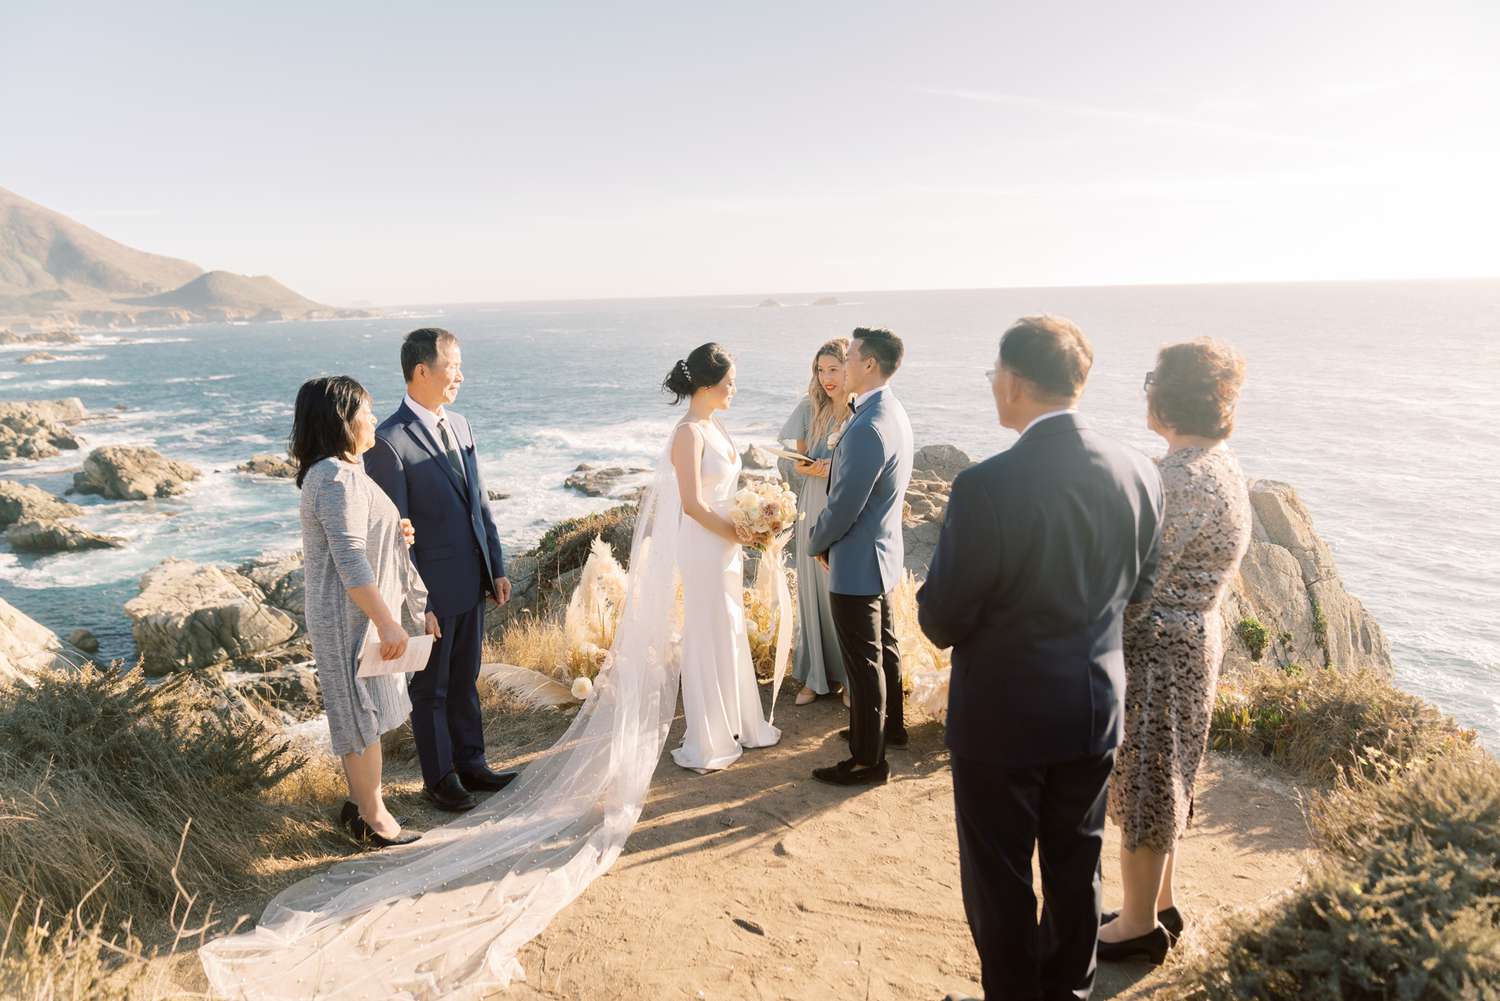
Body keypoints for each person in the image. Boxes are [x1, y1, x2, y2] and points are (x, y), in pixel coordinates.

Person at [200, 346, 780, 998]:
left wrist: (477, 558)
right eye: (451, 363)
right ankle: (408, 793)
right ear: (410, 377)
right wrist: (402, 606)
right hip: (368, 609)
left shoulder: (415, 444)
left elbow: (459, 507)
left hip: (443, 586)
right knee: (397, 698)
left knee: (424, 691)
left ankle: (436, 779)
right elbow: (352, 551)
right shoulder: (358, 461)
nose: (460, 373)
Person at [918, 316, 1163, 1001]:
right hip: (1091, 706)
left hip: (1003, 716)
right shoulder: (1139, 472)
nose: (993, 385)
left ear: (1017, 381)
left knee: (999, 880)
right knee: (1074, 865)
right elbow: (1138, 590)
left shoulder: (987, 485)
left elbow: (941, 617)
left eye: (995, 374)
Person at [1098, 338, 1252, 964]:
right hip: (1193, 636)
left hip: (1160, 645)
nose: (1147, 388)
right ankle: (1159, 902)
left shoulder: (1177, 479)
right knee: (1169, 770)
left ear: (1169, 396)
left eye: (1152, 378)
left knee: (1147, 778)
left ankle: (1137, 926)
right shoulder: (1220, 464)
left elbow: (1139, 582)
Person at [363, 327, 517, 813]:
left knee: (465, 676)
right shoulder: (388, 443)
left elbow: (480, 503)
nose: (460, 376)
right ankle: (440, 778)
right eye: (452, 366)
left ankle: (473, 763)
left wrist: (496, 564)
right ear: (421, 371)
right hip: (430, 591)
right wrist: (415, 605)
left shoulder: (463, 425)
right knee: (430, 688)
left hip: (472, 580)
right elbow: (394, 538)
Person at [290, 375, 435, 849]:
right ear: (343, 420)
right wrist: (388, 621)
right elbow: (349, 557)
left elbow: (360, 538)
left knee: (365, 713)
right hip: (348, 619)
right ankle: (373, 819)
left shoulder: (344, 474)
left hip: (354, 615)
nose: (373, 419)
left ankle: (360, 807)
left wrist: (395, 533)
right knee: (359, 716)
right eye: (366, 411)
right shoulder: (334, 477)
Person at [666, 342, 782, 770]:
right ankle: (709, 737)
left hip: (727, 542)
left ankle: (739, 722)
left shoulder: (715, 426)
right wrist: (740, 533)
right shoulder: (688, 433)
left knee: (730, 626)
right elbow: (692, 504)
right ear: (709, 384)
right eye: (730, 383)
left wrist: (757, 519)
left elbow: (729, 491)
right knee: (707, 629)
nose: (734, 390)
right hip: (703, 544)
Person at [807, 327, 914, 787]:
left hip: (857, 557)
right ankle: (889, 730)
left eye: (849, 357)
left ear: (869, 364)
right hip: (882, 550)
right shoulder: (891, 410)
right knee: (883, 648)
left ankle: (868, 761)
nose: (844, 364)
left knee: (862, 660)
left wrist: (816, 540)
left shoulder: (869, 425)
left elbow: (846, 503)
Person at [777, 337, 852, 706]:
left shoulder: (858, 411)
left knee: (842, 592)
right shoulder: (810, 408)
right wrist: (807, 466)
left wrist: (829, 469)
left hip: (844, 504)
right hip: (811, 503)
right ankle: (815, 676)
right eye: (820, 370)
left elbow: (862, 466)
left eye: (834, 369)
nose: (826, 378)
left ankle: (851, 680)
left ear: (848, 369)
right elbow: (798, 459)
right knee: (812, 592)